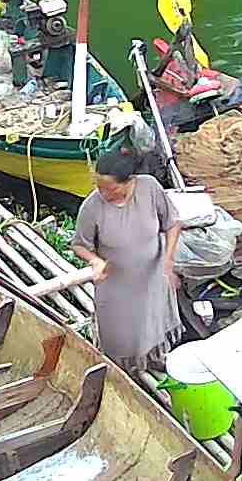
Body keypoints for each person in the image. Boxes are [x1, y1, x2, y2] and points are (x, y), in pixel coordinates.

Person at [71, 149, 183, 373]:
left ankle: (154, 359)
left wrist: (168, 260)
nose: (104, 193)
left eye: (111, 189)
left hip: (152, 277)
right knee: (120, 336)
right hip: (116, 286)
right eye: (99, 187)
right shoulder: (92, 207)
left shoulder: (149, 188)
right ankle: (123, 372)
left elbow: (172, 223)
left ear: (130, 180)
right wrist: (95, 261)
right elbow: (79, 245)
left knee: (152, 322)